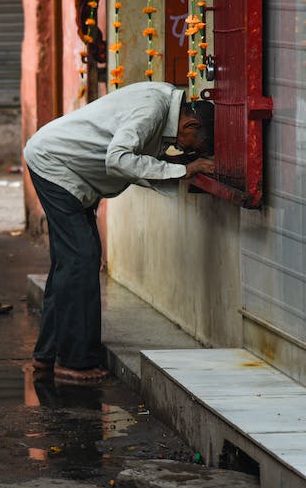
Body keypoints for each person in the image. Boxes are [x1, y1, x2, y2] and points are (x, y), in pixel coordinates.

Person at [23, 81, 215, 382]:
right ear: (190, 123)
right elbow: (119, 159)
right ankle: (73, 360)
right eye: (190, 144)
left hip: (65, 168)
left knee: (70, 262)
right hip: (55, 165)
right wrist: (184, 169)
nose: (184, 148)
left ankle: (47, 355)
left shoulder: (162, 104)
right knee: (81, 259)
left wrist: (180, 164)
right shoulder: (152, 109)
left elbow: (141, 159)